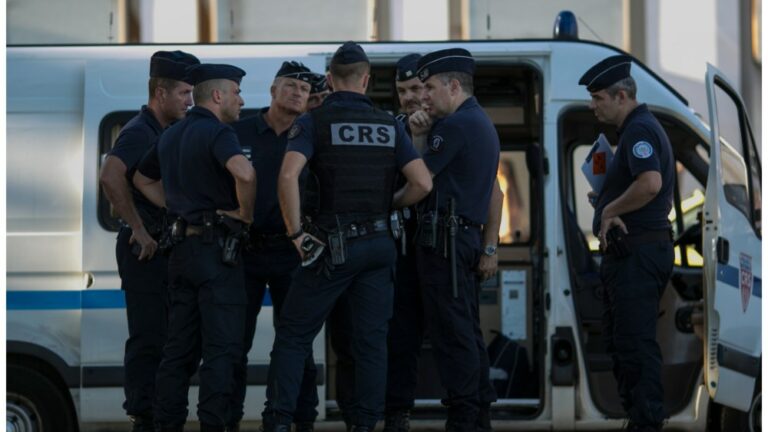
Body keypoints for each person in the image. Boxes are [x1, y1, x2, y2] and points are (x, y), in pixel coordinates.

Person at [260, 41, 432, 432]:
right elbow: (422, 182)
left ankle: (278, 422)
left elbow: (287, 176)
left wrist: (296, 234)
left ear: (330, 80)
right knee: (371, 342)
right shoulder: (388, 124)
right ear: (367, 80)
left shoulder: (314, 121)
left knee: (293, 334)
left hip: (330, 246)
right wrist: (387, 205)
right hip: (378, 246)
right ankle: (365, 423)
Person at [133, 63, 255, 432]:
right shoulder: (219, 133)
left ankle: (166, 425)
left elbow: (140, 178)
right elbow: (245, 173)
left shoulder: (170, 135)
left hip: (180, 253)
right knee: (221, 350)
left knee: (178, 352)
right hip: (216, 253)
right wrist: (243, 214)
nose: (241, 100)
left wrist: (174, 207)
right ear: (217, 96)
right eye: (235, 92)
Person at [99, 50, 198, 432]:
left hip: (164, 249)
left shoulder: (166, 130)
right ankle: (145, 418)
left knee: (171, 339)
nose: (190, 101)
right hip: (146, 250)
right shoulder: (140, 130)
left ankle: (159, 414)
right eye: (184, 93)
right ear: (161, 92)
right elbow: (110, 175)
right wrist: (138, 228)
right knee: (150, 339)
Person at [407, 48, 502, 432]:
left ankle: (464, 417)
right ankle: (476, 411)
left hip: (444, 243)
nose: (423, 96)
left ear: (453, 85)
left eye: (429, 88)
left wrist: (391, 203)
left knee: (451, 335)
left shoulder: (455, 127)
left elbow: (419, 181)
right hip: (461, 240)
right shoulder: (478, 121)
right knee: (465, 330)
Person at [579, 55, 674, 432]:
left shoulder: (639, 131)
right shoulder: (635, 131)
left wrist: (609, 210)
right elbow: (640, 185)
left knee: (635, 347)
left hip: (638, 254)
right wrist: (606, 201)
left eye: (598, 97)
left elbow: (649, 184)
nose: (593, 105)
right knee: (625, 344)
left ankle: (647, 422)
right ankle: (639, 418)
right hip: (632, 254)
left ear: (621, 96)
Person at [230, 61, 317, 432]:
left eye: (304, 89)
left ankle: (301, 421)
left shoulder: (309, 134)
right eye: (291, 85)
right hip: (246, 252)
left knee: (297, 343)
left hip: (291, 252)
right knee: (234, 343)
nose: (298, 92)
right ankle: (227, 419)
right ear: (272, 90)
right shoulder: (238, 131)